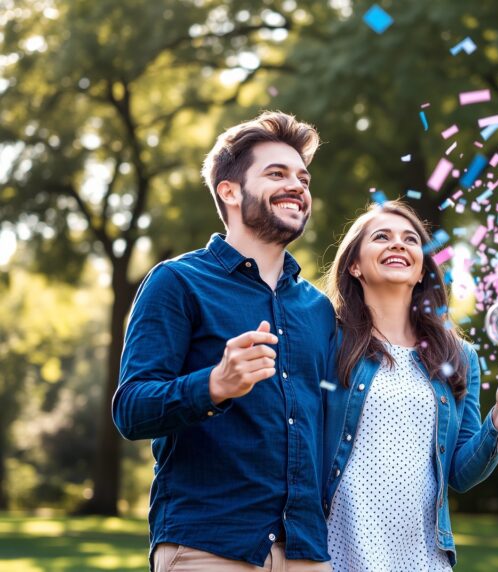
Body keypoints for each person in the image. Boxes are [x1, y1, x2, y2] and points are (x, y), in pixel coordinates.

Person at [113, 111, 333, 572]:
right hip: (209, 545)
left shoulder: (318, 309)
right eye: (276, 173)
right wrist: (215, 384)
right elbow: (131, 409)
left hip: (307, 551)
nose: (297, 186)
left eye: (303, 178)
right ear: (229, 191)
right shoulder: (177, 282)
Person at [321, 201, 498, 571]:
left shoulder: (459, 356)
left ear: (422, 268)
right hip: (338, 548)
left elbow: (461, 473)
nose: (398, 244)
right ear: (354, 264)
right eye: (381, 236)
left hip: (422, 555)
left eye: (410, 239)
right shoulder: (327, 340)